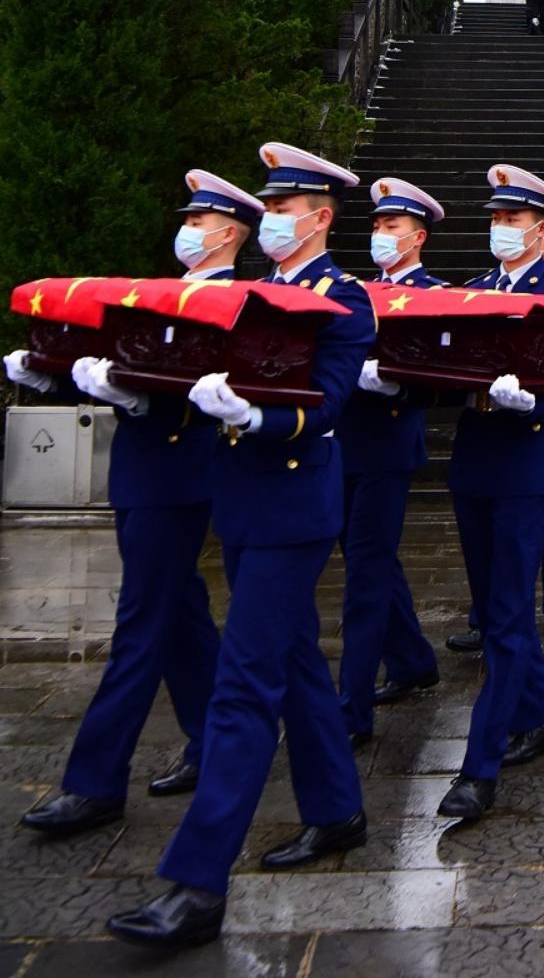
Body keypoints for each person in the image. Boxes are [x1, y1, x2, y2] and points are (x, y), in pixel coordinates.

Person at [108, 143, 375, 950]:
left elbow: (327, 403)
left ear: (319, 218)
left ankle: (197, 882)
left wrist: (257, 416)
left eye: (284, 209)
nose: (271, 221)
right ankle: (337, 807)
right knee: (293, 660)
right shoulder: (250, 292)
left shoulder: (345, 297)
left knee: (243, 683)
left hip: (293, 506)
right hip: (242, 503)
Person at [15, 171, 260, 841]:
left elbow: (203, 391)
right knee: (177, 612)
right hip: (142, 472)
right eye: (188, 219)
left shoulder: (233, 301)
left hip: (178, 475)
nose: (187, 229)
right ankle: (211, 741)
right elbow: (120, 363)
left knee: (140, 623)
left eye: (199, 221)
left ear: (230, 233)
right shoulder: (164, 294)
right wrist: (52, 374)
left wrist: (129, 396)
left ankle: (94, 781)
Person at [437, 165, 544, 822]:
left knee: (504, 613)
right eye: (497, 219)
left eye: (514, 219)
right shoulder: (472, 291)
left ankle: (479, 767)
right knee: (493, 605)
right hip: (475, 457)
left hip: (529, 460)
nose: (502, 228)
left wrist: (533, 396)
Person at [336, 178, 445, 747]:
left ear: (417, 236)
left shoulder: (435, 294)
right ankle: (411, 659)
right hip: (342, 439)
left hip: (388, 442)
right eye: (377, 225)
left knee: (366, 569)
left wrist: (396, 383)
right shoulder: (355, 291)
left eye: (391, 226)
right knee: (370, 559)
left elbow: (441, 374)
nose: (380, 234)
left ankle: (351, 706)